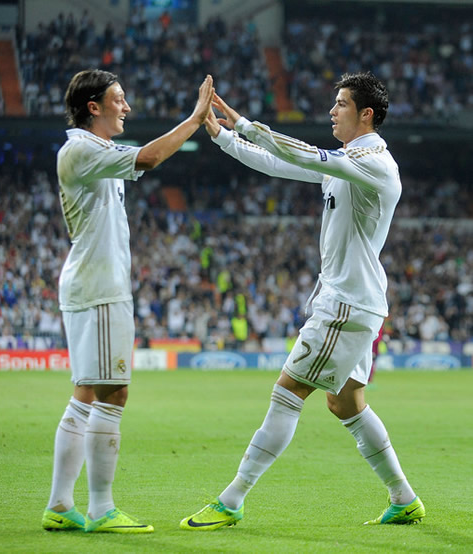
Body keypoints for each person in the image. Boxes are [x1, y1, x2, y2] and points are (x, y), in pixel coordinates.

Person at [180, 72, 425, 530]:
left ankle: (232, 499)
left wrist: (246, 124)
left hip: (346, 304)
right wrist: (222, 136)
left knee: (288, 392)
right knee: (345, 403)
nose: (332, 111)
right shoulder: (350, 160)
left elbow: (304, 153)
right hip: (354, 299)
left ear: (365, 114)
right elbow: (282, 165)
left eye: (341, 104)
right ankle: (404, 498)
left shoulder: (373, 161)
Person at [42, 69, 214, 533]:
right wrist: (196, 118)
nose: (127, 107)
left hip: (96, 285)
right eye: (118, 99)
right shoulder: (81, 149)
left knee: (86, 394)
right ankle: (100, 508)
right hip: (98, 290)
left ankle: (60, 505)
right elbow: (152, 157)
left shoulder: (93, 151)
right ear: (93, 106)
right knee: (112, 393)